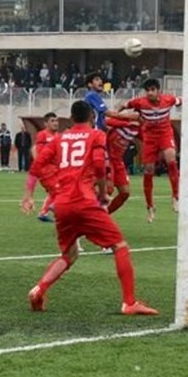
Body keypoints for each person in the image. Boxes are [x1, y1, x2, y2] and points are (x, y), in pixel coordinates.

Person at [23, 100, 159, 316]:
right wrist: (104, 195)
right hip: (85, 201)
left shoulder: (60, 139)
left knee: (69, 254)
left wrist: (28, 196)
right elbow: (99, 165)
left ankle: (39, 288)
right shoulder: (96, 135)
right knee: (120, 246)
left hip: (63, 204)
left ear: (72, 117)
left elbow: (36, 166)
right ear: (92, 117)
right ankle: (129, 302)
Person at [121, 78, 182, 223]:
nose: (150, 93)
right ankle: (150, 206)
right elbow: (125, 105)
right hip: (149, 137)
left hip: (165, 134)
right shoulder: (140, 102)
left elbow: (180, 100)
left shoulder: (168, 99)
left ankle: (176, 196)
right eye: (147, 90)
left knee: (171, 159)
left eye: (152, 90)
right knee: (148, 170)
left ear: (158, 91)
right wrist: (113, 113)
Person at [20, 112, 60, 223]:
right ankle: (55, 208)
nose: (55, 123)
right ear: (45, 123)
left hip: (56, 170)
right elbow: (38, 152)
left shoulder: (58, 136)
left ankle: (45, 212)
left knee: (55, 193)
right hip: (46, 171)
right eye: (52, 121)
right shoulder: (43, 135)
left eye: (56, 121)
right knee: (63, 191)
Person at [104, 115, 141, 215]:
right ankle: (90, 215)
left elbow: (149, 137)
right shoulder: (122, 120)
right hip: (108, 159)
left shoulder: (139, 129)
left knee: (125, 193)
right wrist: (127, 123)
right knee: (108, 189)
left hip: (119, 161)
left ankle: (105, 214)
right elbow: (105, 121)